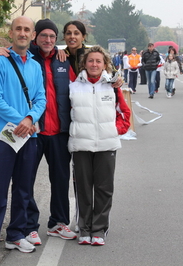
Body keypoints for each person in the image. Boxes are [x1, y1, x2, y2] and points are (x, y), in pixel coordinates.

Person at [0, 16, 46, 262]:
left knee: (24, 189)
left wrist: (29, 119)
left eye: (27, 29)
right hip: (2, 135)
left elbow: (41, 99)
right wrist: (23, 121)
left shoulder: (36, 66)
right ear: (11, 33)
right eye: (18, 28)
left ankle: (16, 234)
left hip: (29, 135)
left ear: (32, 35)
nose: (23, 33)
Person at [68, 45, 130, 246]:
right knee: (84, 189)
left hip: (106, 145)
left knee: (104, 189)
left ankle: (99, 229)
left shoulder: (113, 86)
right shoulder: (73, 86)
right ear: (84, 64)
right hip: (81, 145)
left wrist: (114, 130)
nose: (94, 64)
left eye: (98, 61)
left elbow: (125, 114)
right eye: (90, 61)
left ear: (105, 64)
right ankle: (84, 229)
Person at [24, 18, 77, 245]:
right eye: (44, 35)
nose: (48, 40)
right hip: (32, 132)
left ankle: (58, 223)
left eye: (52, 37)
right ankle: (28, 226)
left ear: (57, 39)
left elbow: (80, 88)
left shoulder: (63, 59)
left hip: (59, 132)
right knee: (26, 181)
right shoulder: (24, 58)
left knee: (61, 179)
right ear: (35, 36)